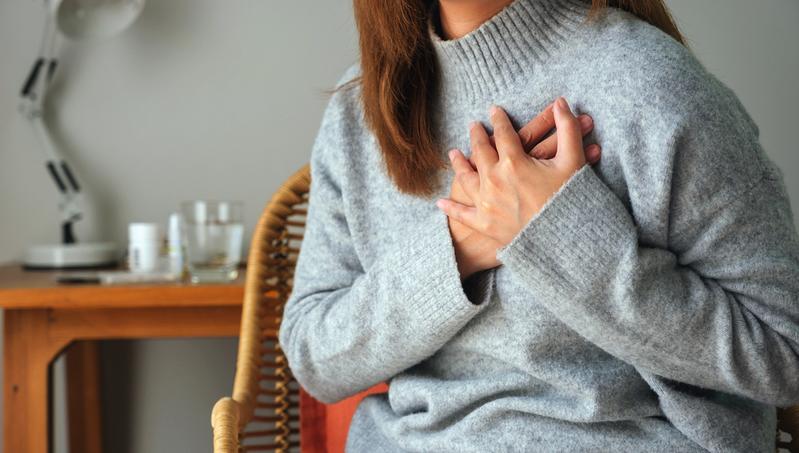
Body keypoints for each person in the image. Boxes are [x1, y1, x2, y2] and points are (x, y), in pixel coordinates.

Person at [278, 0, 799, 451]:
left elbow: (783, 353)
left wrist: (559, 235)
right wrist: (457, 249)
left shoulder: (651, 84)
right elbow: (314, 356)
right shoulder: (360, 113)